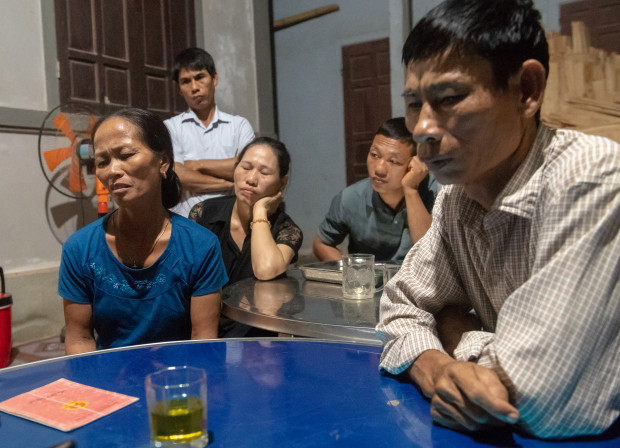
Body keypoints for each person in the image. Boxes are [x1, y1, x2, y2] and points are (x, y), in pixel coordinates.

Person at [376, 0, 619, 439]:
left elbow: (538, 396)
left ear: (526, 90)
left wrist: (457, 329)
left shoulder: (590, 176)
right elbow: (399, 306)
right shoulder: (457, 197)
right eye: (413, 103)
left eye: (450, 98)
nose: (422, 128)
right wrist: (435, 366)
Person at [59, 108, 228, 354]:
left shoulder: (200, 246)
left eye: (126, 155)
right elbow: (79, 339)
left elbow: (203, 341)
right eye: (103, 162)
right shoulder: (79, 249)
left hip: (180, 374)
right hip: (110, 376)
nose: (113, 170)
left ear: (163, 162)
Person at [189, 137, 303, 337]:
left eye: (264, 172)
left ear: (282, 182)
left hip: (254, 338)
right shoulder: (204, 214)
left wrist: (260, 211)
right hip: (202, 328)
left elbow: (266, 270)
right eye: (246, 167)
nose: (251, 179)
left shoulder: (287, 230)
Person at [313, 117, 438, 262]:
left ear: (415, 164)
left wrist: (411, 190)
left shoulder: (435, 193)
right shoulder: (350, 198)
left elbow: (431, 254)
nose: (379, 169)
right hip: (370, 277)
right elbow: (321, 244)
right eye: (374, 155)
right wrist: (353, 271)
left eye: (393, 161)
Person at [164, 47, 255, 216]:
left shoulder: (239, 125)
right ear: (179, 89)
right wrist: (229, 183)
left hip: (232, 219)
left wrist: (197, 164)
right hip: (188, 221)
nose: (194, 87)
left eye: (200, 77)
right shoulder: (171, 127)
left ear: (215, 78)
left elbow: (248, 170)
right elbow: (177, 176)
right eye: (186, 81)